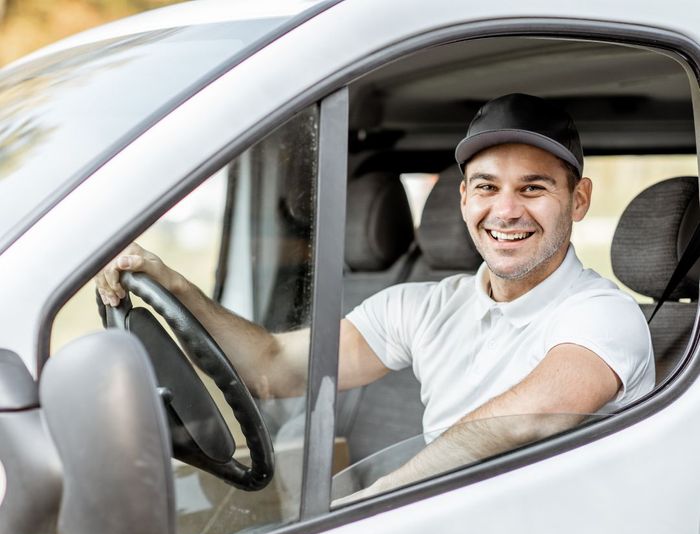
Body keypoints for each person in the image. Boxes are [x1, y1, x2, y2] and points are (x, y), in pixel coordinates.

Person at [96, 93, 655, 501]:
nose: (506, 210)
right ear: (463, 199)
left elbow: (517, 424)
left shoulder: (603, 314)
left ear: (578, 200)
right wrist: (173, 283)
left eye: (533, 188)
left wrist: (369, 508)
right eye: (487, 187)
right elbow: (272, 368)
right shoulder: (422, 306)